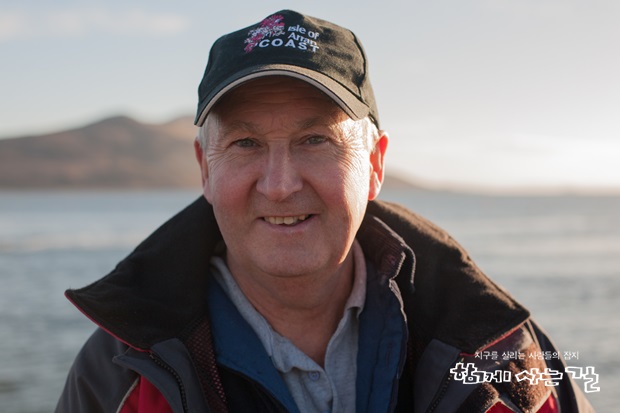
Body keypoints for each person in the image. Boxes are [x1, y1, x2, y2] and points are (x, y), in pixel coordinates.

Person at [56, 9, 594, 413]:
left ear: (374, 164)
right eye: (245, 143)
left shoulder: (503, 349)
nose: (280, 185)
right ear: (205, 169)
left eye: (315, 140)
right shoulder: (120, 374)